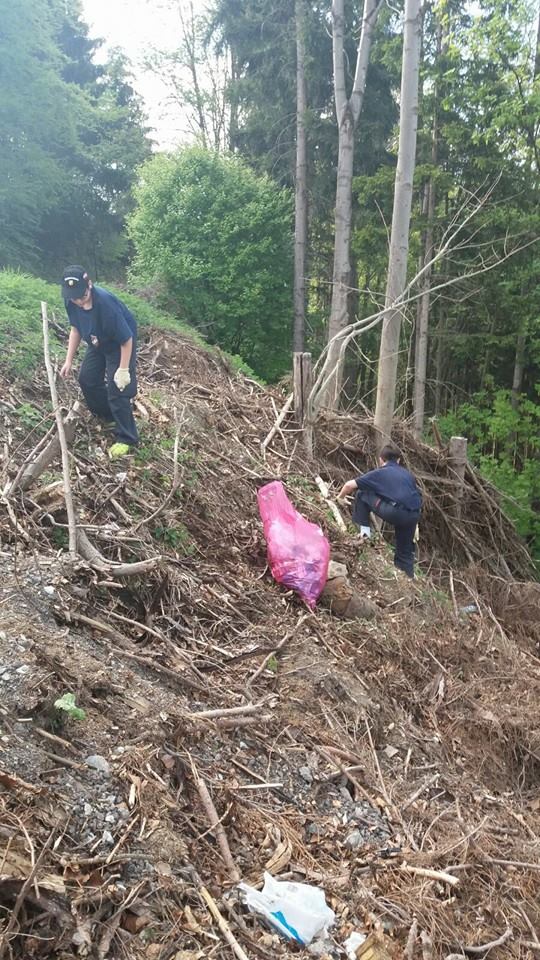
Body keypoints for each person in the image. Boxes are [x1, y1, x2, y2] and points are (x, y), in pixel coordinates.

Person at [60, 266, 139, 459]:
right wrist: (68, 360)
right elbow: (76, 329)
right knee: (87, 379)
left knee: (117, 387)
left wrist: (123, 369)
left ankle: (127, 437)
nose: (79, 301)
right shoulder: (71, 300)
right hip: (96, 341)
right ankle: (109, 415)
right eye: (74, 297)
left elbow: (126, 339)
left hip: (118, 343)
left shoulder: (106, 305)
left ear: (90, 285)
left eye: (82, 295)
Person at [338, 443, 422, 578]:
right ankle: (407, 580)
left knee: (362, 494)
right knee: (404, 552)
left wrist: (340, 497)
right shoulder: (408, 475)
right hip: (413, 515)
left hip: (396, 512)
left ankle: (365, 534)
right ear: (398, 460)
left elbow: (349, 485)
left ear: (381, 459)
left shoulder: (380, 473)